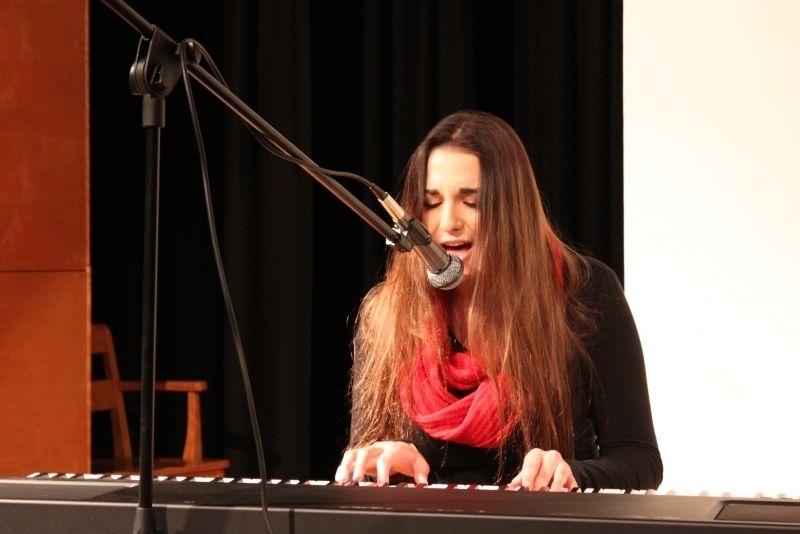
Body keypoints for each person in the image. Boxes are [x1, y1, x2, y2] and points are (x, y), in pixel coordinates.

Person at [334, 110, 663, 491]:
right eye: (431, 203)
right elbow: (361, 464)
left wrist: (572, 473)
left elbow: (640, 461)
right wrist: (385, 461)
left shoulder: (586, 292)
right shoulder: (386, 312)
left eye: (471, 202)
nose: (448, 222)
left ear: (512, 209)